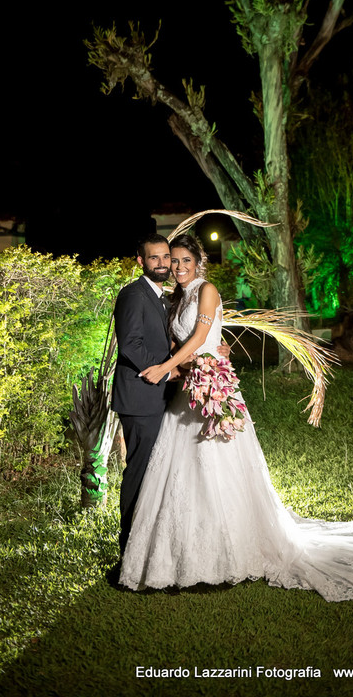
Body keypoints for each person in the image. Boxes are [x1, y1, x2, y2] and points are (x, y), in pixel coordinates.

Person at [119, 234, 353, 605]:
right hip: (190, 390)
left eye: (185, 260)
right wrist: (197, 359)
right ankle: (182, 547)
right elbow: (182, 340)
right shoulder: (175, 297)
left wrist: (177, 364)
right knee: (181, 471)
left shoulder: (207, 290)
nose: (179, 266)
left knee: (218, 466)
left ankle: (230, 547)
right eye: (174, 260)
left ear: (199, 262)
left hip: (212, 386)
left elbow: (199, 336)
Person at [112, 233, 230, 557]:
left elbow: (185, 339)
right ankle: (129, 549)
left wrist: (217, 349)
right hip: (140, 398)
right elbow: (131, 345)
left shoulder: (169, 298)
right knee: (139, 472)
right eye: (158, 258)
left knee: (167, 471)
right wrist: (168, 370)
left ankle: (165, 543)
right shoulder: (133, 294)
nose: (167, 264)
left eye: (170, 258)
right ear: (141, 261)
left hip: (171, 395)